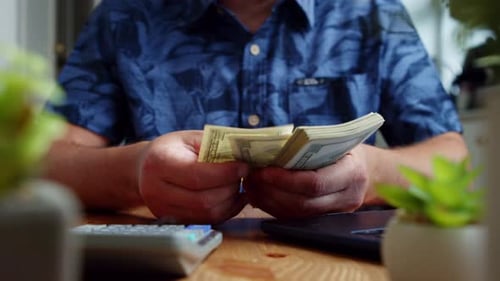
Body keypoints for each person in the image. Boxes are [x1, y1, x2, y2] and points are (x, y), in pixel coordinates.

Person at [44, 0, 468, 224]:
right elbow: (45, 163)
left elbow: (453, 157)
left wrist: (370, 173)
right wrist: (137, 170)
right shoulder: (125, 14)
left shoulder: (372, 11)